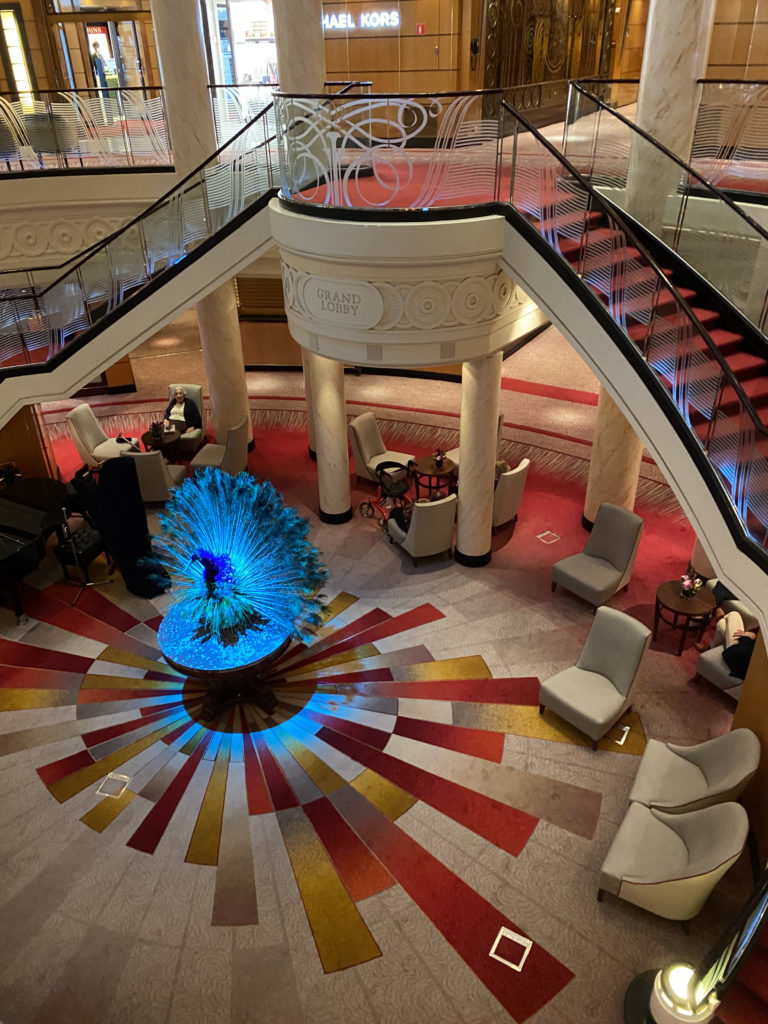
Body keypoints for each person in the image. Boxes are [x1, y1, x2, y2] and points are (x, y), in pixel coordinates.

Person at [704, 610, 758, 681]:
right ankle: (710, 647)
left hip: (738, 657)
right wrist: (753, 636)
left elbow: (746, 651)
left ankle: (720, 618)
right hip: (744, 651)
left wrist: (748, 636)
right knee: (722, 624)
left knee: (732, 615)